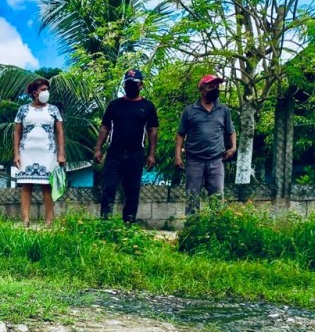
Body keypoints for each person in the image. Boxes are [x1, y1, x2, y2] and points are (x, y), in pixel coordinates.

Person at [94, 69, 159, 223]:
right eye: (128, 83)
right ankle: (105, 223)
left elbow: (152, 130)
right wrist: (98, 149)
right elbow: (105, 127)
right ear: (124, 85)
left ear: (141, 85)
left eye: (134, 83)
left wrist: (151, 154)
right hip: (114, 154)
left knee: (132, 192)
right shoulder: (115, 105)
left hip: (136, 154)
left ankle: (128, 224)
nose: (131, 86)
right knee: (108, 189)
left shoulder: (148, 106)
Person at [175, 74, 237, 215]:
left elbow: (231, 131)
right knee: (192, 197)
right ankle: (192, 229)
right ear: (202, 88)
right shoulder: (189, 111)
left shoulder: (223, 110)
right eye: (211, 86)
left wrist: (233, 147)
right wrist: (177, 156)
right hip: (194, 160)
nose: (214, 89)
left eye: (216, 86)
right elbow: (180, 135)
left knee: (217, 198)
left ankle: (216, 228)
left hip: (216, 160)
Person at [12, 78, 65, 227]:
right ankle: (25, 220)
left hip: (48, 153)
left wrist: (61, 153)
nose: (46, 92)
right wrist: (16, 153)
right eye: (43, 89)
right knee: (26, 186)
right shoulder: (23, 110)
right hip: (26, 152)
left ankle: (49, 221)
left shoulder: (54, 109)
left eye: (47, 89)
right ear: (35, 92)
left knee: (47, 186)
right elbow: (17, 133)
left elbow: (60, 132)